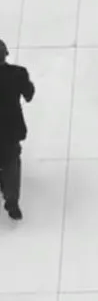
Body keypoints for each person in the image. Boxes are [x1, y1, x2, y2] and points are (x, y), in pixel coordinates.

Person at [0, 40, 35, 220]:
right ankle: (11, 201)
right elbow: (29, 94)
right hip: (10, 128)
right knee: (11, 162)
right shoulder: (18, 73)